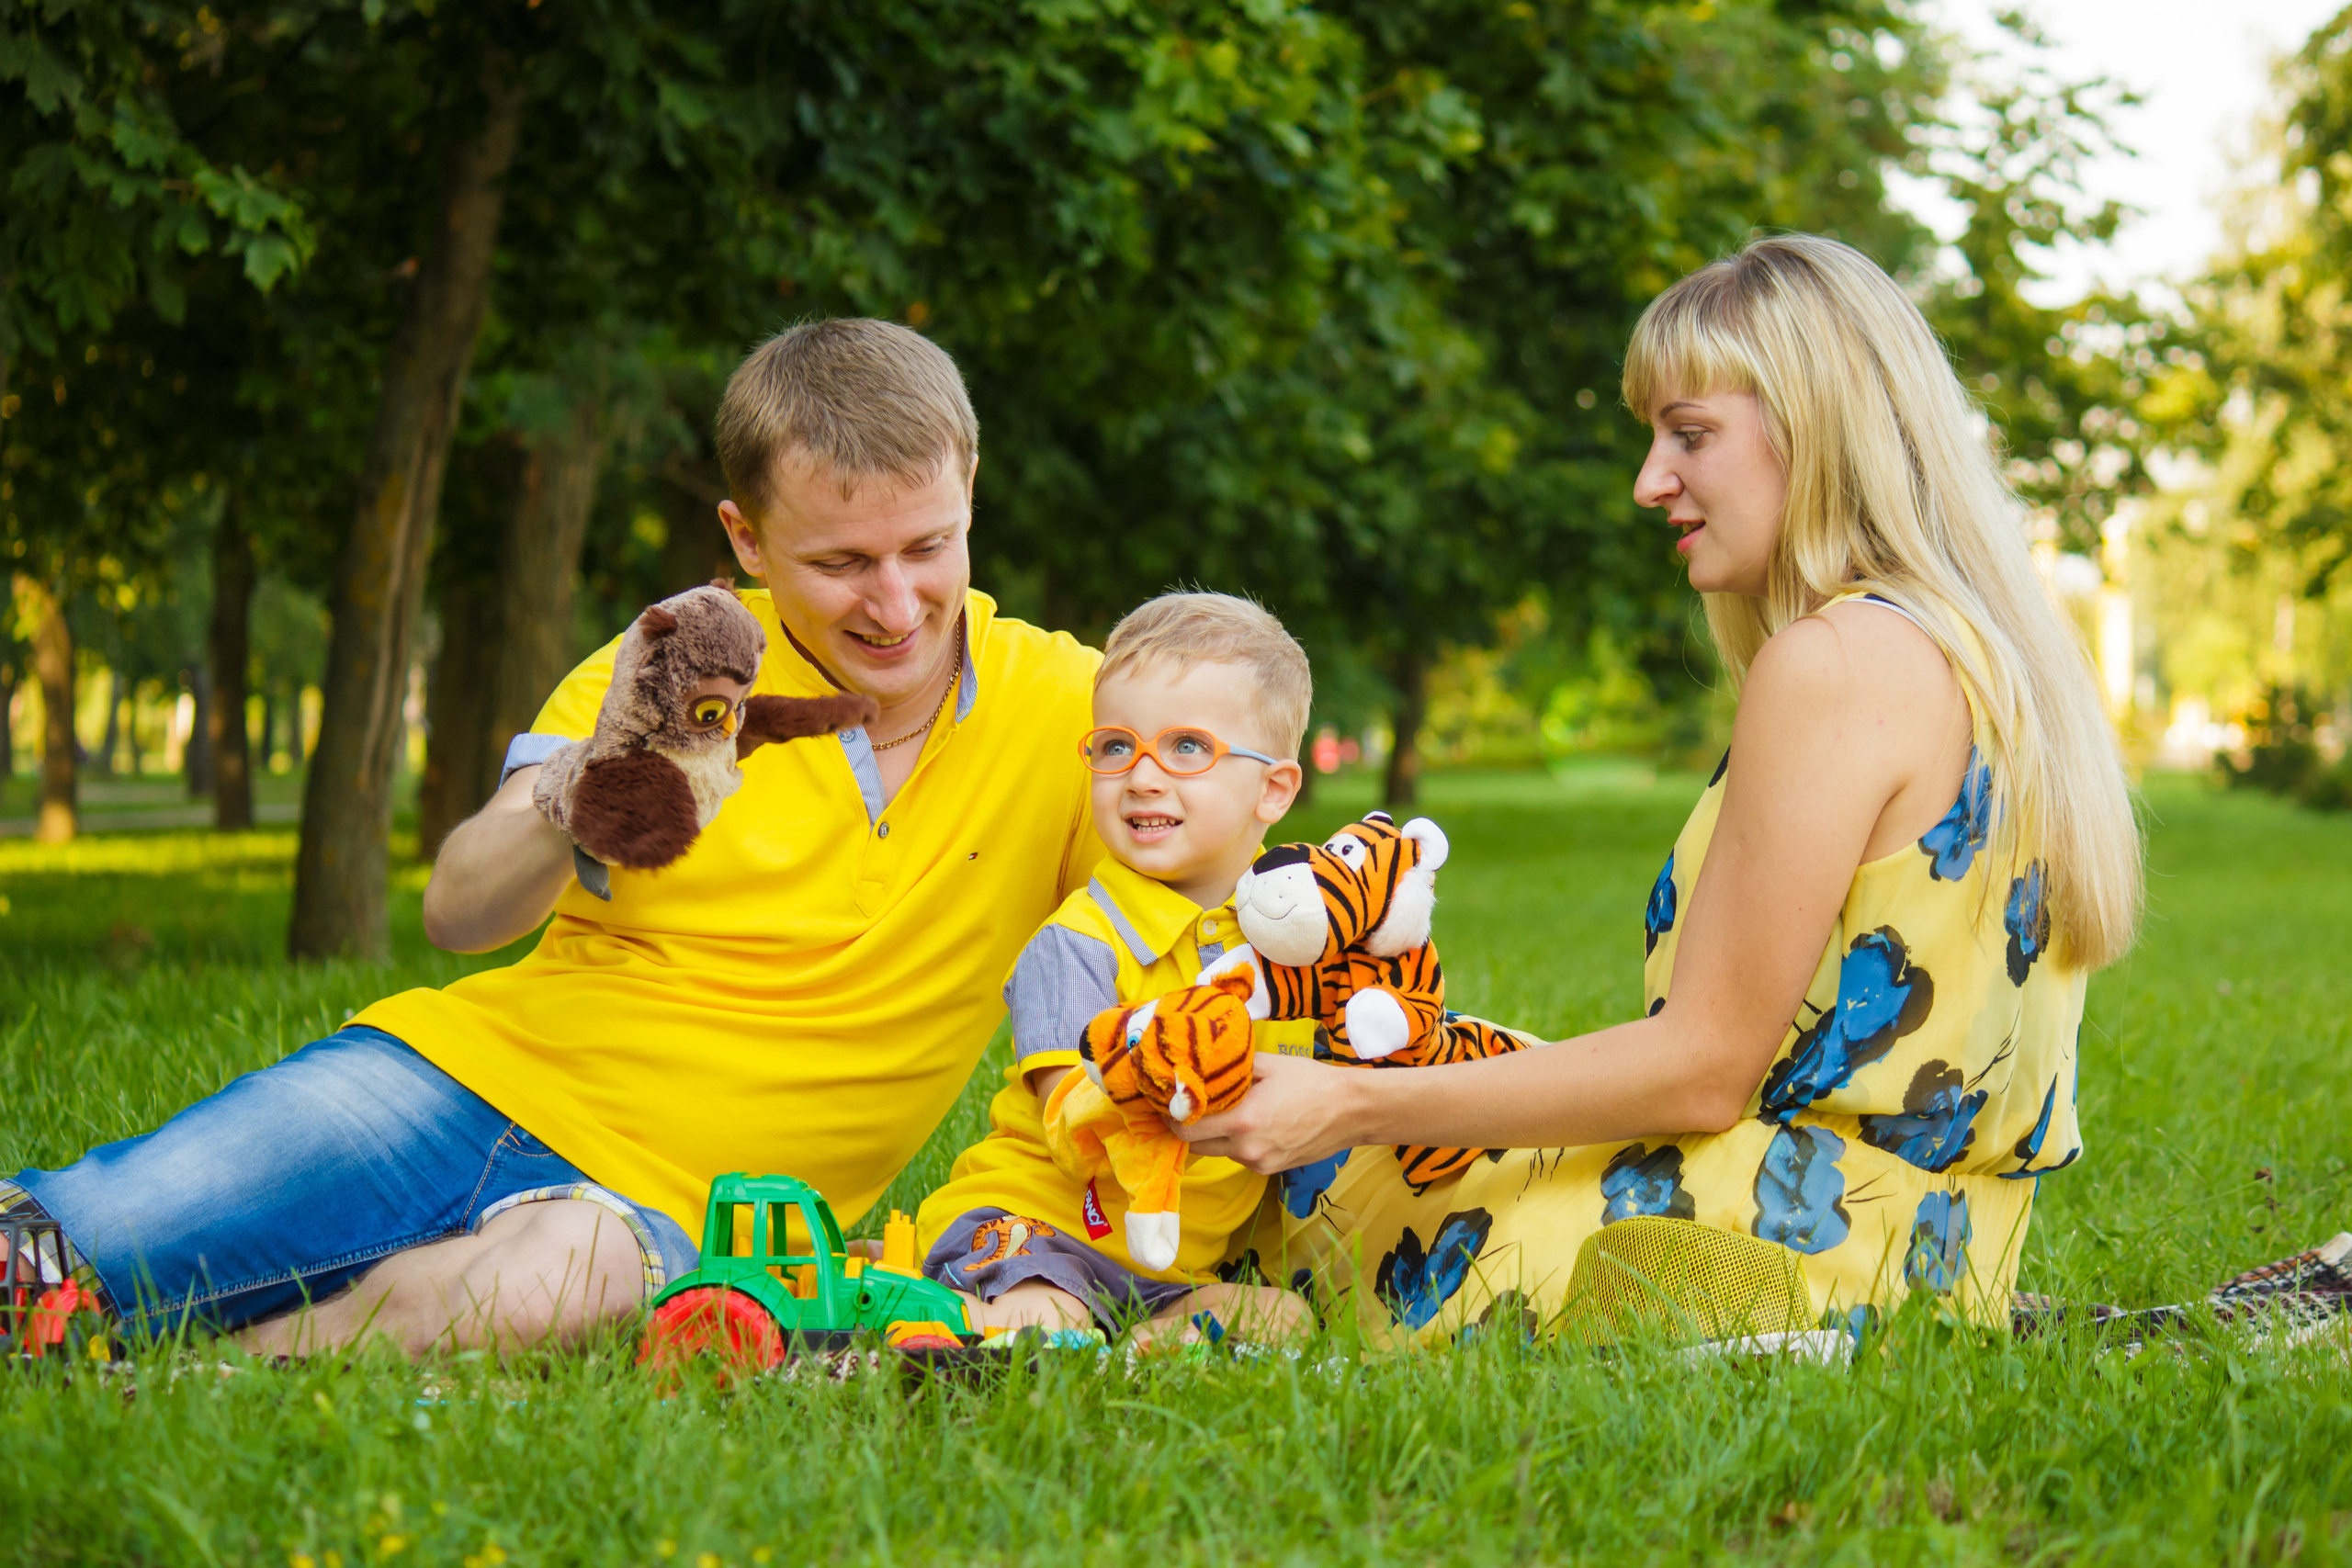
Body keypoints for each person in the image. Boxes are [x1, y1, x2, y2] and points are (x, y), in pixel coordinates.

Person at [0, 320, 1107, 1354]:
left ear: (969, 488)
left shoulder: (1077, 714)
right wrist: (589, 781)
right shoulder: (681, 664)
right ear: (748, 539)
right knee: (70, 1244)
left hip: (682, 1210)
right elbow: (460, 913)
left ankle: (188, 1377)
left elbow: (1177, 958)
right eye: (842, 564)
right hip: (459, 1086)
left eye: (928, 547)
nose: (897, 605)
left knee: (546, 1293)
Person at [1183, 233, 2143, 1340]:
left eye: (1690, 435)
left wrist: (1353, 1104)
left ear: (1815, 427)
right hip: (1932, 1258)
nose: (1649, 483)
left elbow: (1701, 1073)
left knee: (1287, 1126)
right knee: (1405, 1059)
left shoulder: (1835, 664)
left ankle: (1076, 1281)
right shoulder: (1987, 658)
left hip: (1750, 1254)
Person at [913, 592, 1317, 1344]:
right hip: (1035, 1230)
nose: (1143, 777)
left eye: (1187, 746)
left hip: (1167, 1267)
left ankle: (1135, 1346)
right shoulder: (1080, 940)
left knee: (1283, 1319)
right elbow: (1072, 1109)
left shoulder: (1295, 938)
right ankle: (920, 1327)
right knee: (1046, 1320)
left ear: (1274, 788)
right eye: (1116, 746)